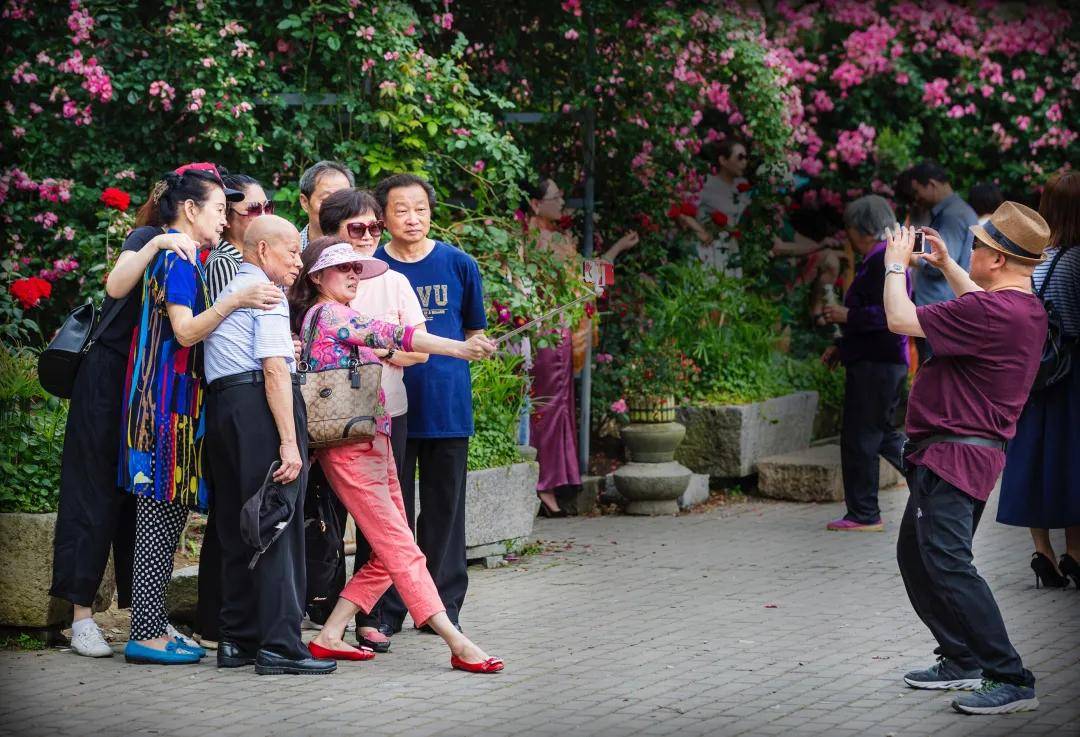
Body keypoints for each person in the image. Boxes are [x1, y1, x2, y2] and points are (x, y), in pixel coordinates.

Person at [289, 239, 504, 673]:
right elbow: (392, 334)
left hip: (374, 442)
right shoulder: (330, 314)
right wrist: (461, 348)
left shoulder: (334, 316)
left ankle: (331, 634)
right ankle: (456, 640)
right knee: (402, 547)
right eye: (342, 268)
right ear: (317, 278)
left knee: (390, 550)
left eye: (357, 268)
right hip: (351, 449)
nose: (353, 274)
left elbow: (395, 346)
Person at [884, 202, 1050, 715]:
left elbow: (899, 319)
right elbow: (981, 301)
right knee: (918, 556)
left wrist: (894, 264)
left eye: (976, 247)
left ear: (997, 260)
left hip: (955, 456)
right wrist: (947, 266)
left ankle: (1009, 675)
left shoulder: (993, 312)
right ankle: (961, 658)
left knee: (949, 563)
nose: (969, 251)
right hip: (957, 455)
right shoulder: (1022, 308)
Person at [118, 164, 283, 666]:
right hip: (164, 407)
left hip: (176, 405)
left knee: (165, 517)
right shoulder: (180, 257)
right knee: (158, 519)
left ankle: (152, 623)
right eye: (216, 209)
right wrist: (237, 299)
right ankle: (145, 632)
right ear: (190, 210)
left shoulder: (183, 254)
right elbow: (186, 332)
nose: (222, 218)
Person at [51, 189, 199, 658]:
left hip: (151, 389)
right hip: (109, 376)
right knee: (94, 490)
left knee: (143, 495)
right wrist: (155, 244)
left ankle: (146, 620)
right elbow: (116, 287)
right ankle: (81, 619)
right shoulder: (150, 235)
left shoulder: (206, 253)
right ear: (185, 205)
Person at [202, 216, 336, 676]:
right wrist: (289, 443)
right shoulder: (266, 293)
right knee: (277, 523)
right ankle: (281, 644)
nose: (299, 261)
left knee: (237, 523)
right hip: (261, 405)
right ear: (262, 252)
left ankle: (236, 639)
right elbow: (276, 369)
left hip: (223, 410)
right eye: (291, 253)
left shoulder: (230, 289)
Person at [371, 173, 485, 635]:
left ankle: (444, 606)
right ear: (383, 217)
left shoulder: (459, 264)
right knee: (391, 514)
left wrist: (480, 344)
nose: (412, 218)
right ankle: (388, 608)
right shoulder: (370, 267)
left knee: (445, 511)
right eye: (401, 210)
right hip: (387, 408)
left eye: (420, 208)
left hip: (447, 406)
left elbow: (474, 329)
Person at [318, 188, 429, 650]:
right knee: (331, 520)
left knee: (383, 528)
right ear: (333, 235)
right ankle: (326, 613)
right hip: (337, 424)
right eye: (356, 229)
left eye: (374, 228)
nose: (367, 238)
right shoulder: (324, 288)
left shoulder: (393, 280)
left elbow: (417, 347)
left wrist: (385, 352)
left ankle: (368, 618)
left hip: (387, 416)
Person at [524, 178, 637, 515]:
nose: (562, 203)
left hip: (552, 334)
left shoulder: (545, 237)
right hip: (547, 334)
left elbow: (582, 279)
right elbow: (582, 283)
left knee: (551, 406)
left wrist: (616, 250)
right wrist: (614, 252)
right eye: (556, 197)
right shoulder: (541, 240)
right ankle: (544, 485)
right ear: (535, 203)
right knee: (548, 408)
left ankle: (548, 482)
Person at [998, 171, 1080, 589]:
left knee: (1031, 457)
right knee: (1070, 459)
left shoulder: (1036, 260)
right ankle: (1076, 554)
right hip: (1071, 375)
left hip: (1034, 372)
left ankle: (1042, 553)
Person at [821, 196, 908, 532]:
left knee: (861, 437)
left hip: (877, 363)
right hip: (880, 359)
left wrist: (848, 315)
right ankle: (930, 478)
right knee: (881, 433)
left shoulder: (880, 260)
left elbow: (888, 314)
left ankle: (864, 513)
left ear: (860, 229)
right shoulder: (883, 257)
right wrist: (843, 346)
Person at [906, 160, 978, 363]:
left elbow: (942, 264)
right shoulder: (954, 211)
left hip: (941, 311)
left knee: (935, 376)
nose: (916, 197)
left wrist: (909, 259)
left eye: (917, 190)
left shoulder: (952, 216)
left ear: (931, 185)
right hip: (942, 310)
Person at [680, 139, 751, 275]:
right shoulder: (707, 184)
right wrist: (699, 230)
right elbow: (680, 209)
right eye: (740, 157)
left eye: (746, 158)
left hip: (731, 248)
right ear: (723, 160)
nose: (744, 162)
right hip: (709, 248)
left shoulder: (742, 185)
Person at [205, 173, 272, 302]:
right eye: (254, 209)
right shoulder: (222, 262)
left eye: (267, 207)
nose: (264, 216)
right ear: (227, 217)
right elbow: (225, 319)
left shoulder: (263, 254)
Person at [298, 160, 354, 250]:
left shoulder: (362, 248)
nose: (337, 207)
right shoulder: (289, 251)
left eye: (344, 199)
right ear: (305, 202)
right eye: (327, 200)